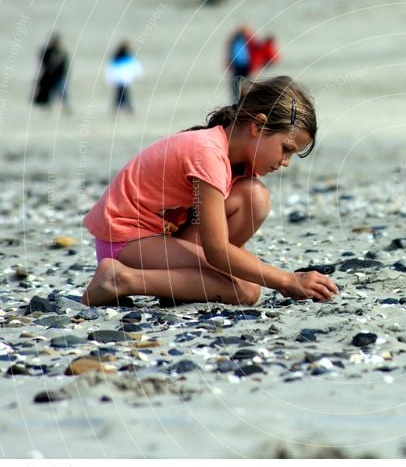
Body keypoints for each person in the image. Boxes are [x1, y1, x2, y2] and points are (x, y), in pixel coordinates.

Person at [80, 75, 339, 306]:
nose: (285, 163)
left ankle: (182, 282)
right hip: (125, 240)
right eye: (286, 149)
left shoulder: (234, 160)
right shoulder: (209, 154)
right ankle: (122, 279)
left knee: (254, 196)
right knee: (245, 290)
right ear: (258, 126)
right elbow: (216, 250)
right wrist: (286, 280)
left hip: (163, 236)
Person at [33, 33, 70, 113]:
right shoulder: (46, 52)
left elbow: (64, 66)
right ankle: (46, 107)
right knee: (45, 93)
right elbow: (43, 64)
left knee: (62, 92)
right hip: (48, 77)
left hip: (59, 77)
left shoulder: (61, 52)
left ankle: (64, 107)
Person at [106, 41, 143, 114]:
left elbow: (110, 69)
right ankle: (127, 110)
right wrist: (139, 75)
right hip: (124, 80)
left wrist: (110, 79)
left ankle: (119, 110)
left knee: (120, 96)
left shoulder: (115, 58)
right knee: (124, 96)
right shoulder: (128, 58)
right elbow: (136, 67)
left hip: (118, 80)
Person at [226, 26, 253, 102]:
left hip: (244, 66)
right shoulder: (236, 40)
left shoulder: (246, 40)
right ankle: (238, 102)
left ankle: (240, 101)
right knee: (238, 86)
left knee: (242, 86)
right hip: (239, 66)